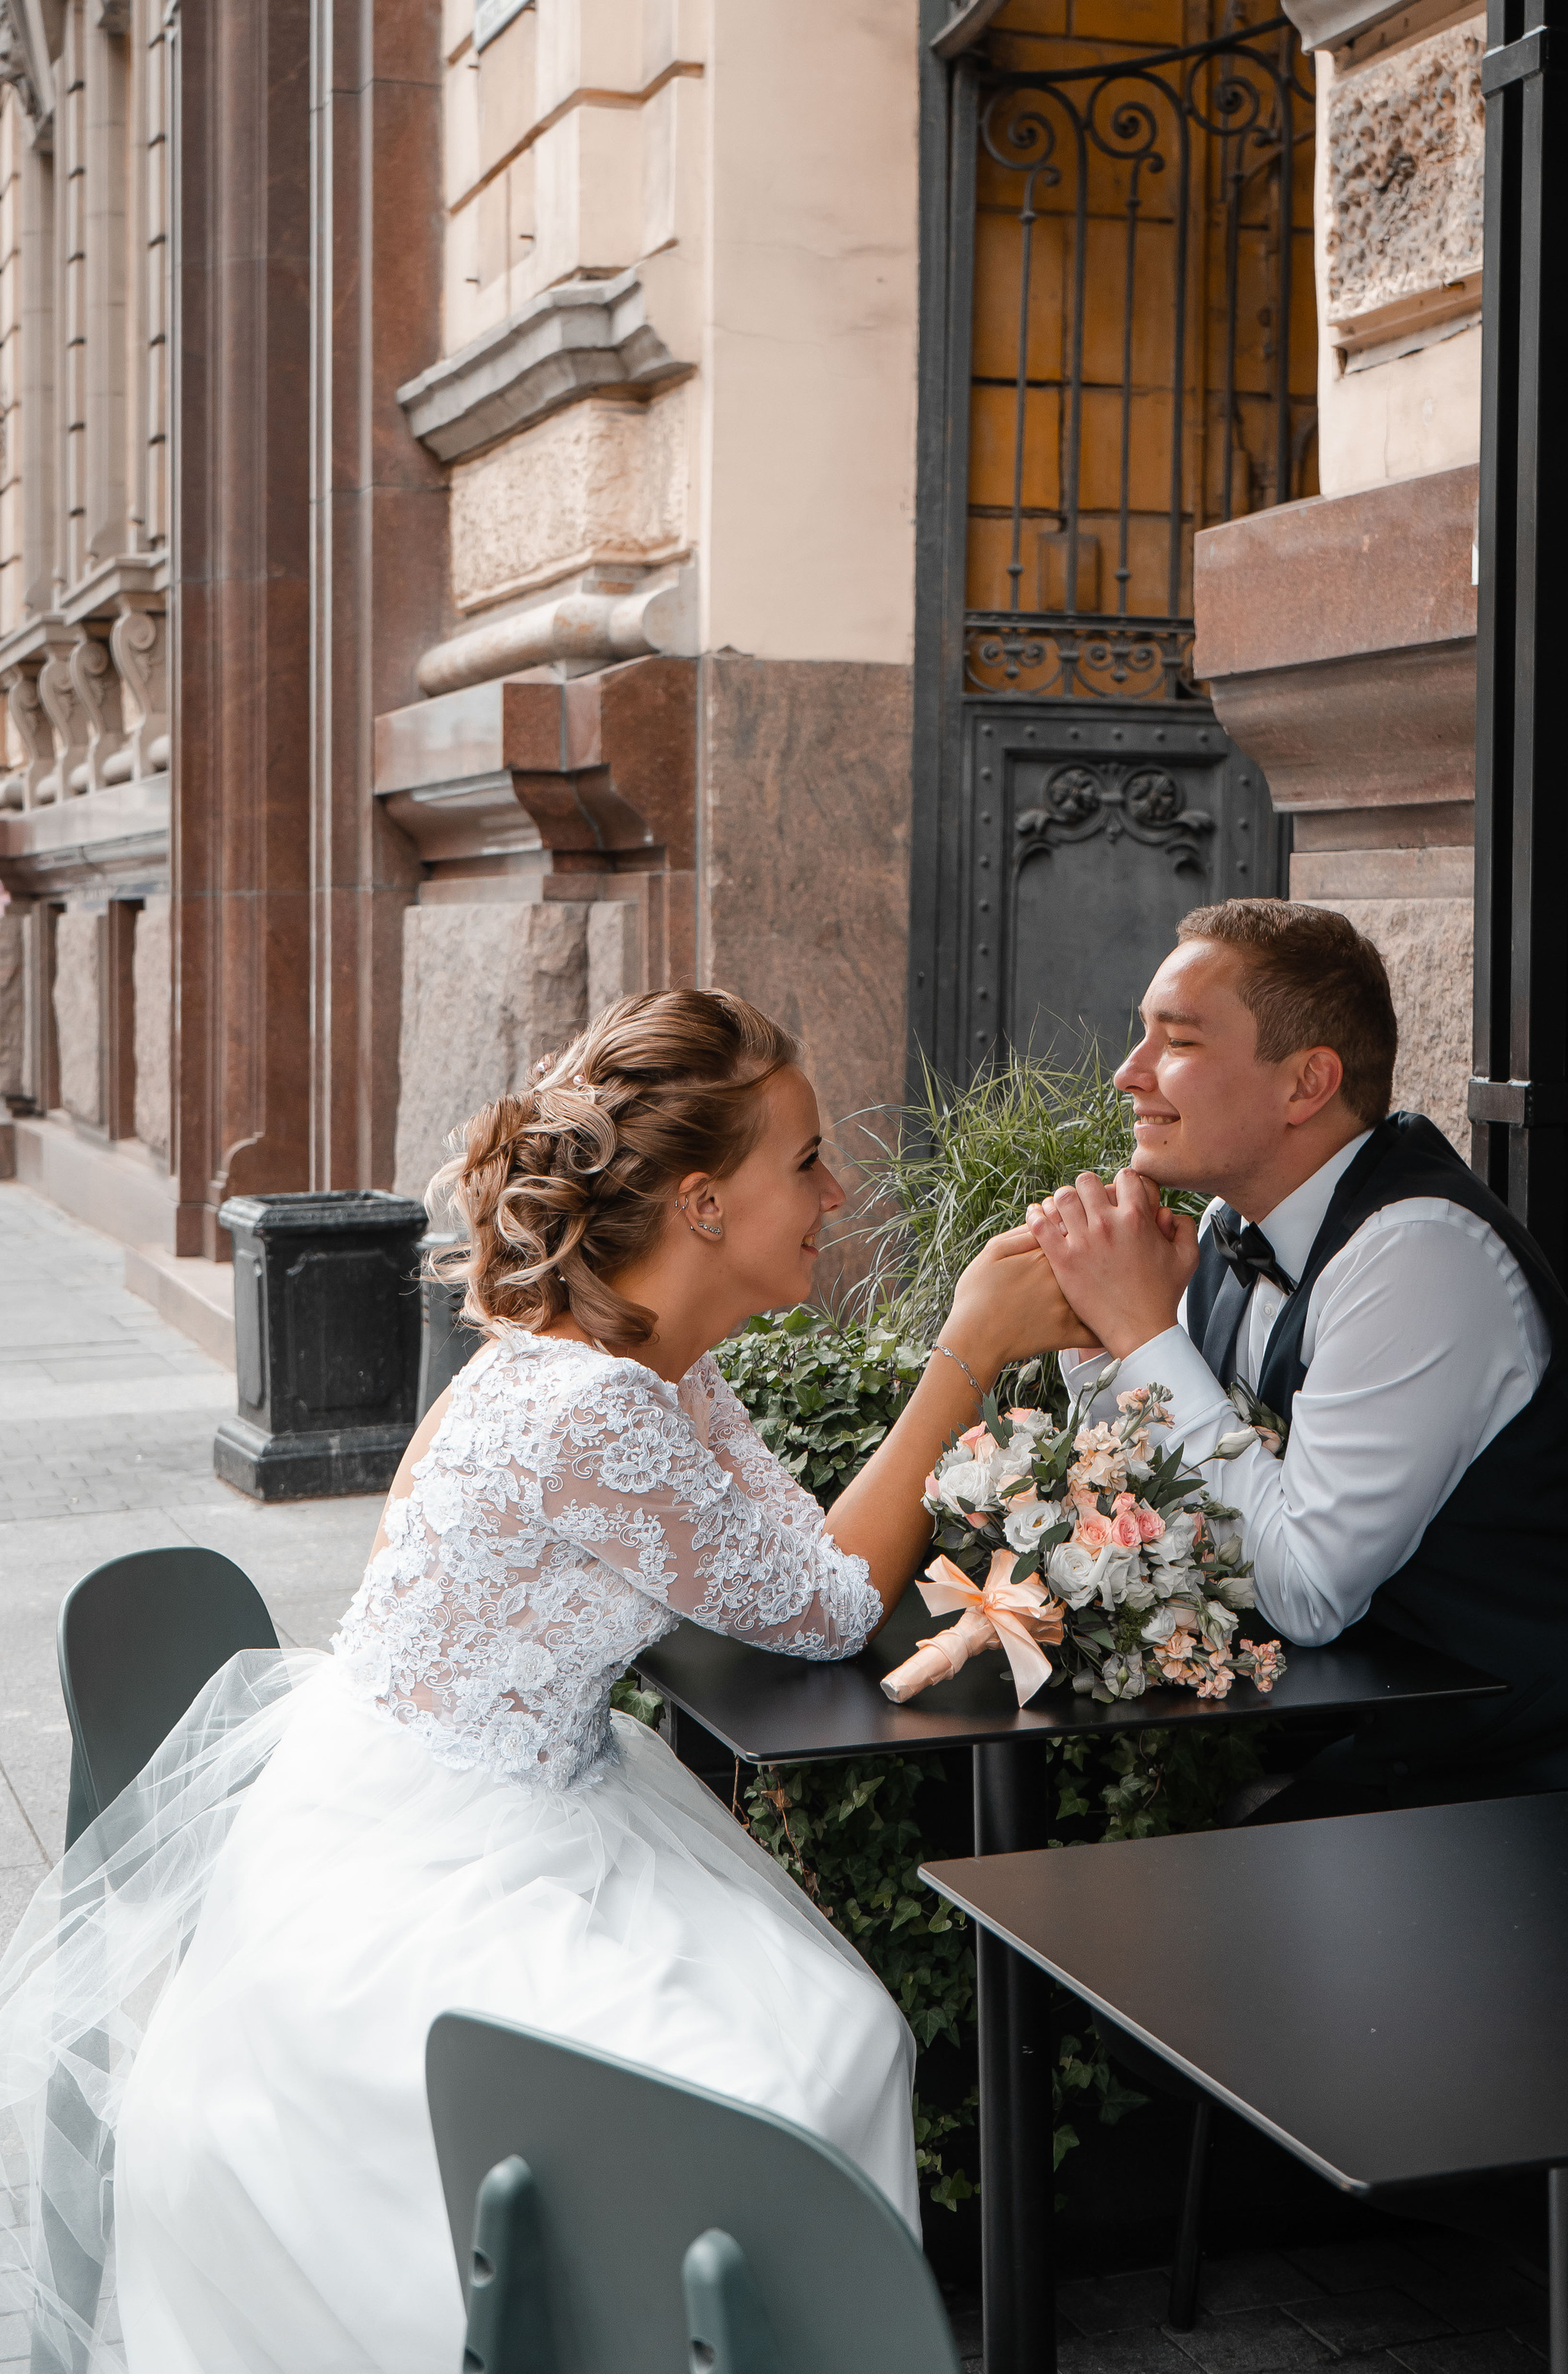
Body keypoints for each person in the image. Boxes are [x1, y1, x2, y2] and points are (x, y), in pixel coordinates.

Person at [0, 989, 1084, 2374]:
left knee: (837, 2030)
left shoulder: (636, 1364)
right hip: (439, 1859)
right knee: (791, 2065)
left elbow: (783, 1547)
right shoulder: (592, 1406)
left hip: (503, 1792)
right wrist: (967, 1355)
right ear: (700, 1204)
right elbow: (823, 1606)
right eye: (805, 1160)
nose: (838, 1188)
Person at [1020, 898, 1568, 1819]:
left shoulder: (1419, 1257)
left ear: (1307, 1084)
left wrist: (1143, 1335)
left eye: (1176, 1043)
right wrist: (1099, 1340)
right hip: (1433, 1735)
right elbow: (1171, 1499)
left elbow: (1303, 1592)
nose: (1127, 1075)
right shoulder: (1225, 1231)